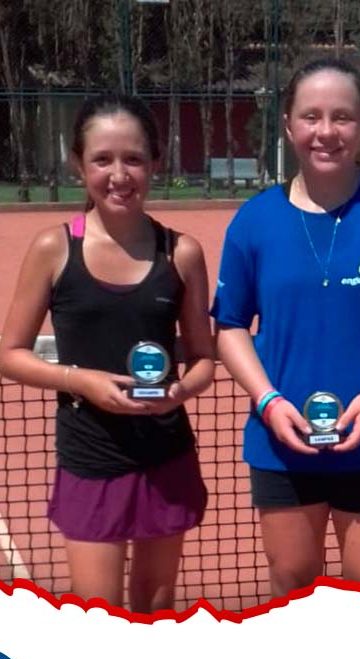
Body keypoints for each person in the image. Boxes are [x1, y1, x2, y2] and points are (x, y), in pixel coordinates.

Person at [211, 58, 360, 605]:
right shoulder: (254, 220)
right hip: (281, 442)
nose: (326, 131)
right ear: (288, 125)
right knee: (291, 588)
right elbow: (229, 325)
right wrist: (268, 401)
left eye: (341, 117)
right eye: (311, 116)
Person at [0, 94, 214, 613]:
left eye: (133, 159)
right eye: (102, 159)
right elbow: (10, 353)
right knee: (97, 616)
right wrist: (81, 380)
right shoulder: (54, 248)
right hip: (91, 456)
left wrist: (179, 392)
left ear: (155, 162)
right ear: (78, 163)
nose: (119, 175)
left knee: (155, 610)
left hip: (165, 454)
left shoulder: (181, 253)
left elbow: (204, 358)